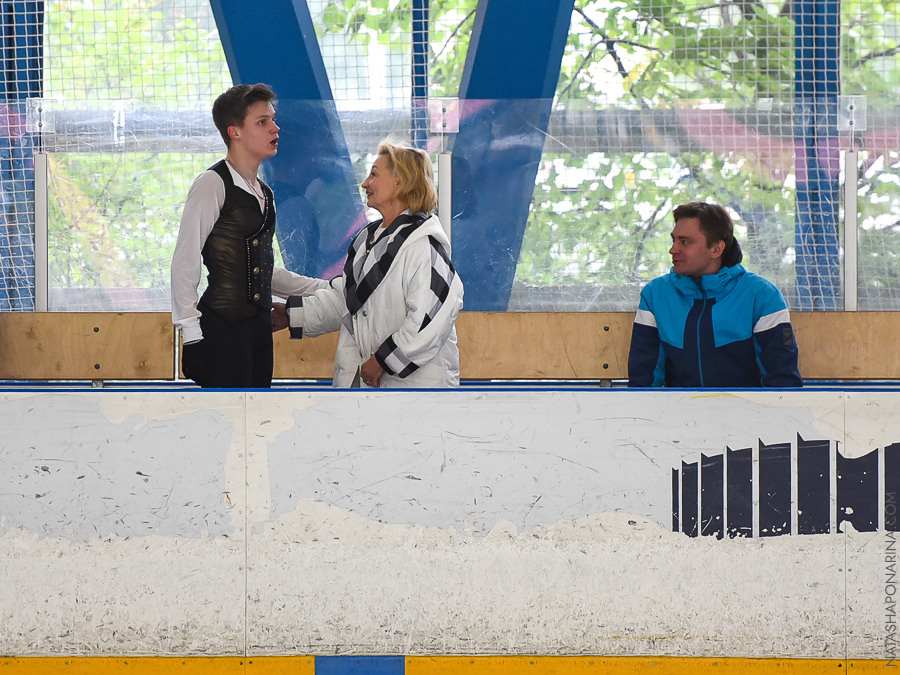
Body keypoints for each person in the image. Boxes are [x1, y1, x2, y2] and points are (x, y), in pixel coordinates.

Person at [272, 140, 464, 388]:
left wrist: (384, 361)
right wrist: (291, 314)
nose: (365, 184)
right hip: (373, 391)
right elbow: (347, 299)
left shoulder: (425, 245)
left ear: (401, 182)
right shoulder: (367, 240)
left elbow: (430, 318)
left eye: (374, 174)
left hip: (417, 392)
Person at [171, 83, 325, 388]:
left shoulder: (265, 193)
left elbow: (261, 269)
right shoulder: (211, 184)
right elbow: (184, 261)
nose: (275, 128)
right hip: (221, 330)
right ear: (235, 132)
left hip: (257, 332)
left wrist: (324, 288)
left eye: (272, 119)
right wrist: (191, 334)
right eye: (262, 122)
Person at [627, 201, 802, 388]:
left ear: (716, 249)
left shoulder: (762, 296)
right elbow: (643, 381)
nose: (673, 249)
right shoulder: (655, 295)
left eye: (685, 242)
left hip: (747, 413)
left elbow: (782, 382)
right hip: (676, 413)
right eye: (674, 240)